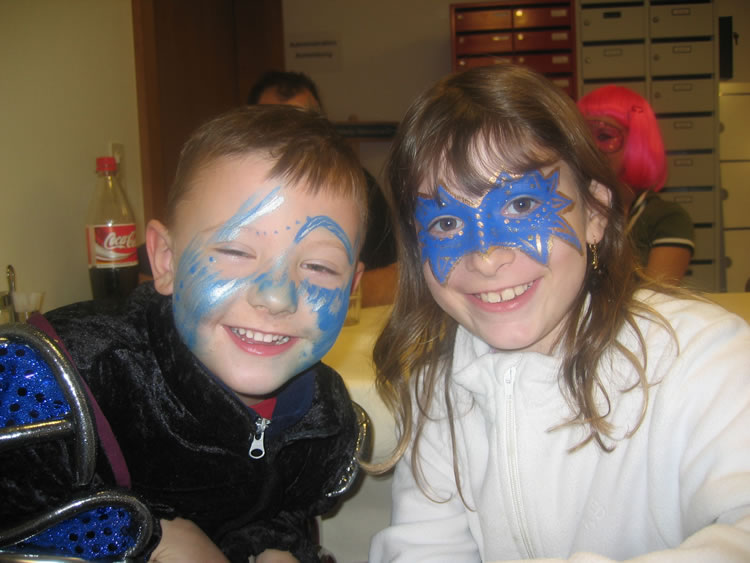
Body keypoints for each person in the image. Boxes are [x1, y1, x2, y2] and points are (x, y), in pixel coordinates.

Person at [367, 65, 750, 561]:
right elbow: (424, 548)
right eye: (445, 223)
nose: (486, 257)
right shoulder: (438, 390)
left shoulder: (701, 358)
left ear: (596, 214)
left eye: (523, 205)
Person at [4, 105, 369, 562]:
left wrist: (276, 546)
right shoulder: (66, 373)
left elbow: (283, 510)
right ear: (166, 261)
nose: (277, 297)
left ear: (352, 288)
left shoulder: (325, 417)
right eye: (236, 251)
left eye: (318, 267)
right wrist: (147, 537)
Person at [249, 70, 398, 305]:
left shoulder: (357, 188)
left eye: (308, 121)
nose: (295, 134)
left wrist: (326, 294)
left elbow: (395, 278)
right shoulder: (234, 197)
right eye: (276, 123)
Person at [577, 85, 695, 284]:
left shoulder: (667, 219)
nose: (593, 148)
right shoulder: (569, 209)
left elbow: (656, 296)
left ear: (636, 142)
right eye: (585, 138)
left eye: (604, 136)